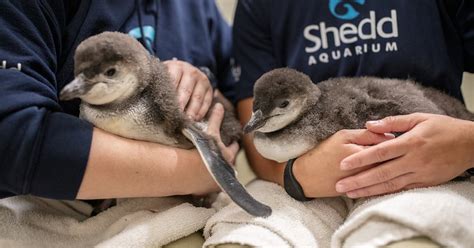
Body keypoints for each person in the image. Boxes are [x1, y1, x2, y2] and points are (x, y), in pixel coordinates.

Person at [230, 0, 474, 246]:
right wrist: (297, 177)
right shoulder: (259, 5)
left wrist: (467, 143)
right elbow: (256, 130)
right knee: (246, 240)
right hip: (298, 172)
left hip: (438, 163)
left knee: (409, 240)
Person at [0, 0, 238, 246]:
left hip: (174, 208)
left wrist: (205, 86)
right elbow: (12, 135)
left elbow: (238, 108)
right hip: (47, 208)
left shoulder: (196, 7)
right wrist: (196, 172)